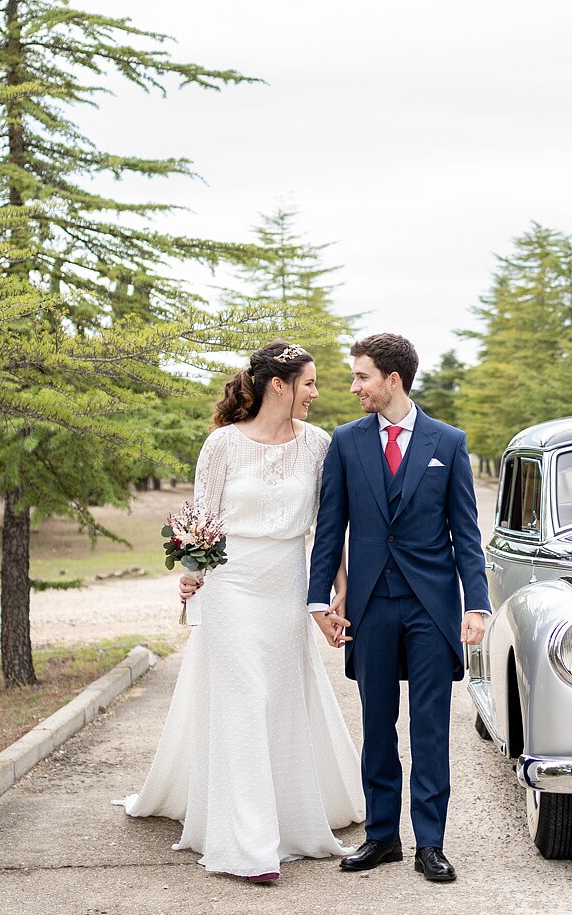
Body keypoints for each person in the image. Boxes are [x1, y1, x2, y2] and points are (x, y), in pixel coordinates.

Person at [118, 343, 366, 882]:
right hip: (230, 583)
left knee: (277, 697)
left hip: (286, 584)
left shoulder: (319, 445)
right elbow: (200, 519)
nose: (316, 393)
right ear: (279, 384)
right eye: (309, 384)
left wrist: (335, 591)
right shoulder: (222, 444)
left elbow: (329, 528)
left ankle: (288, 816)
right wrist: (190, 569)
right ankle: (248, 846)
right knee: (245, 699)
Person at [306, 333, 489, 884]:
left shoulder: (448, 442)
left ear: (393, 380)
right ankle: (382, 836)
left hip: (431, 609)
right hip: (370, 608)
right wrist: (320, 598)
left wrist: (475, 605)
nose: (353, 386)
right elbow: (330, 527)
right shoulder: (346, 441)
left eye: (362, 376)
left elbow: (466, 533)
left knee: (430, 728)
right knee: (377, 725)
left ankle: (430, 844)